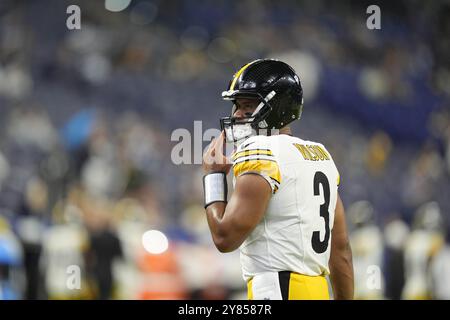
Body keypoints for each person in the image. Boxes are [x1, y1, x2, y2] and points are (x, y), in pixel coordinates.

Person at [202, 59, 354, 300]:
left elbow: (224, 237)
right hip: (316, 291)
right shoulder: (320, 156)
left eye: (249, 106)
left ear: (277, 107)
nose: (239, 114)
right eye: (237, 106)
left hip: (279, 290)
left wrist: (213, 177)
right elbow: (341, 250)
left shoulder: (259, 150)